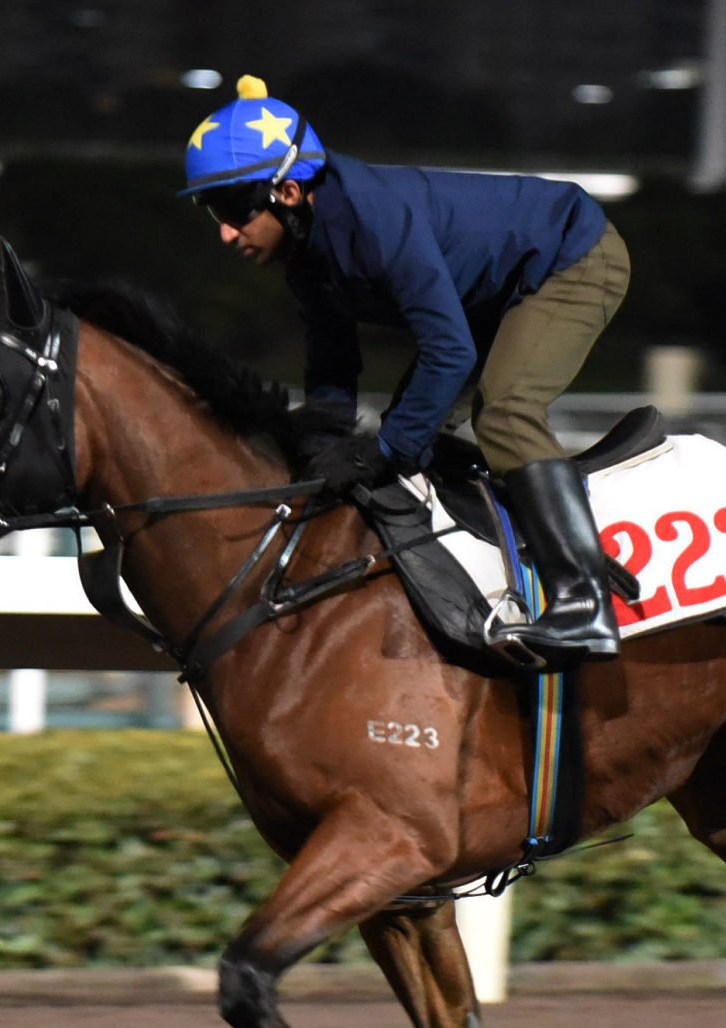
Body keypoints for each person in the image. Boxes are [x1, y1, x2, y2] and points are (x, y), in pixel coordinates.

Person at [179, 74, 629, 666]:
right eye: (211, 209)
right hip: (494, 292)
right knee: (418, 434)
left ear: (288, 192)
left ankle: (584, 604)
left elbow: (451, 351)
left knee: (503, 412)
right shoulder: (307, 246)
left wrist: (383, 450)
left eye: (234, 209)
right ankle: (499, 557)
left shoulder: (374, 221)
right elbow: (333, 356)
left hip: (571, 258)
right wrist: (320, 440)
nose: (225, 232)